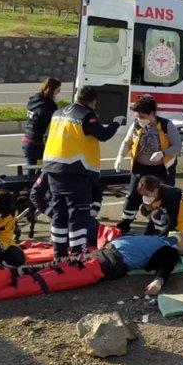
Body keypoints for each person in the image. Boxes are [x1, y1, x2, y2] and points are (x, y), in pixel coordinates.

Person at [41, 86, 124, 257]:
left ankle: (59, 253)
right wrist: (116, 122)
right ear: (93, 101)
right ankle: (79, 253)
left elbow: (46, 137)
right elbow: (103, 134)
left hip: (53, 170)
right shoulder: (86, 115)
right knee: (77, 214)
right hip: (76, 172)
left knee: (59, 213)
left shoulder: (58, 113)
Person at [114, 96, 182, 233]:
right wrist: (120, 156)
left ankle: (160, 227)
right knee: (134, 195)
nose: (139, 118)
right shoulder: (136, 125)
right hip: (140, 168)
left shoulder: (166, 125)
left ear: (151, 113)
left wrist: (162, 153)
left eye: (142, 116)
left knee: (163, 198)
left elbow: (177, 146)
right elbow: (127, 142)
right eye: (137, 115)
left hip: (162, 169)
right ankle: (125, 222)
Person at [97, 233, 183, 297]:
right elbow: (169, 261)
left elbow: (168, 262)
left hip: (111, 255)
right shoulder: (163, 243)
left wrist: (158, 281)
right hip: (110, 256)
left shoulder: (163, 245)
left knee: (85, 268)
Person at [135, 175, 183, 241]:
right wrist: (145, 237)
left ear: (155, 190)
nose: (144, 197)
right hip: (180, 217)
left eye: (146, 194)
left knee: (177, 244)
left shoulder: (171, 196)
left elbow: (172, 222)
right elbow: (152, 222)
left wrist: (162, 238)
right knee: (156, 214)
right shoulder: (156, 195)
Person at [22, 77, 61, 167]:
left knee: (32, 168)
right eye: (58, 91)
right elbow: (51, 126)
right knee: (37, 170)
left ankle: (31, 179)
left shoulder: (34, 100)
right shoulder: (49, 106)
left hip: (27, 140)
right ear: (52, 90)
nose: (58, 93)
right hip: (37, 144)